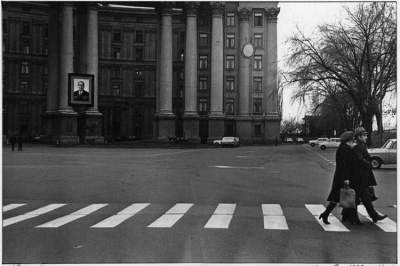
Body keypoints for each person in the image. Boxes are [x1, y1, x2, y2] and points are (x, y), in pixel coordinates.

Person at [319, 131, 361, 225]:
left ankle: (327, 214)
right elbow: (344, 165)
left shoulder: (343, 148)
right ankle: (328, 215)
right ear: (349, 140)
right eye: (352, 139)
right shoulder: (345, 149)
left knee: (337, 197)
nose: (353, 141)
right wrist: (346, 178)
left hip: (339, 176)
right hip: (342, 177)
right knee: (344, 197)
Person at [352, 127, 387, 223]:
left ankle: (373, 216)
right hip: (359, 177)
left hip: (362, 177)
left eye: (366, 135)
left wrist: (370, 159)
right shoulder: (357, 147)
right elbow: (360, 159)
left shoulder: (362, 146)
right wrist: (368, 163)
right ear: (359, 137)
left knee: (364, 197)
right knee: (360, 198)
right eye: (364, 135)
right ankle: (370, 216)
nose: (366, 137)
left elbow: (365, 157)